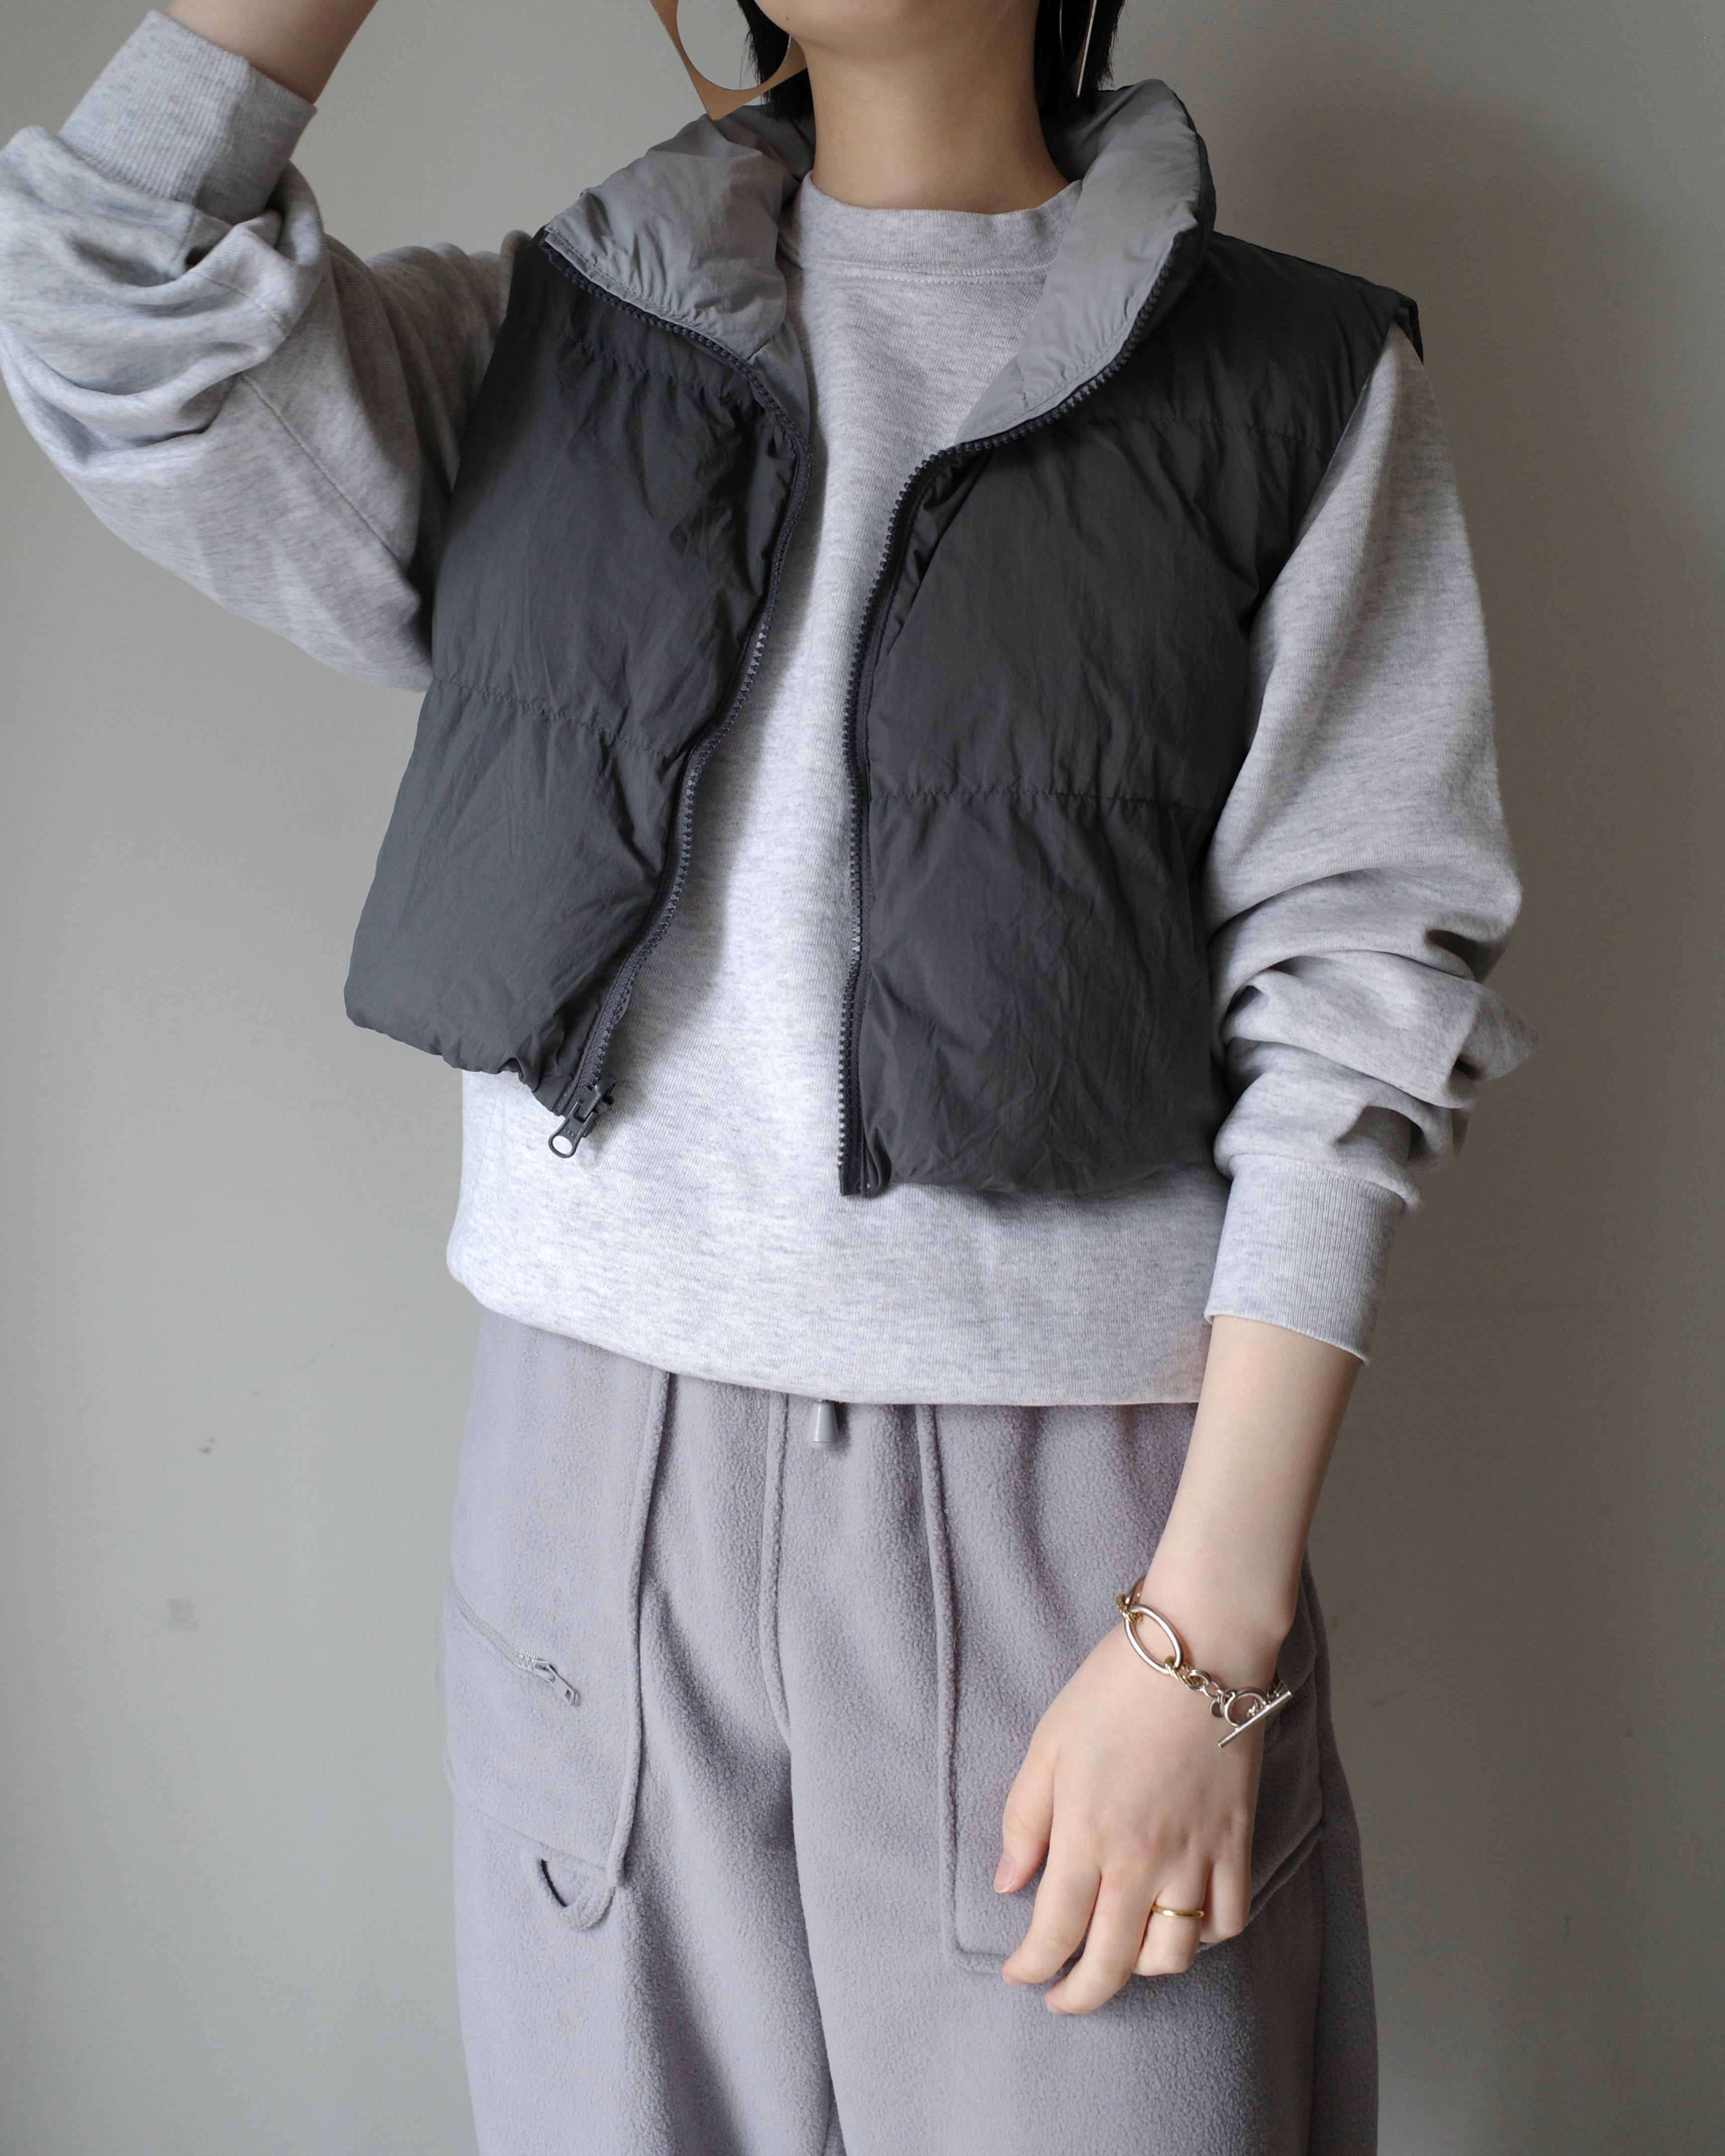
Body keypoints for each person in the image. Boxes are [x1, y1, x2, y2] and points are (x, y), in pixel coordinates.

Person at [0, 0, 1533, 2149]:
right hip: (590, 1496)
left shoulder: (1295, 378)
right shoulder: (544, 344)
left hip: (1075, 1517)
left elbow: (1359, 997)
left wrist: (1205, 1633)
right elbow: (100, 283)